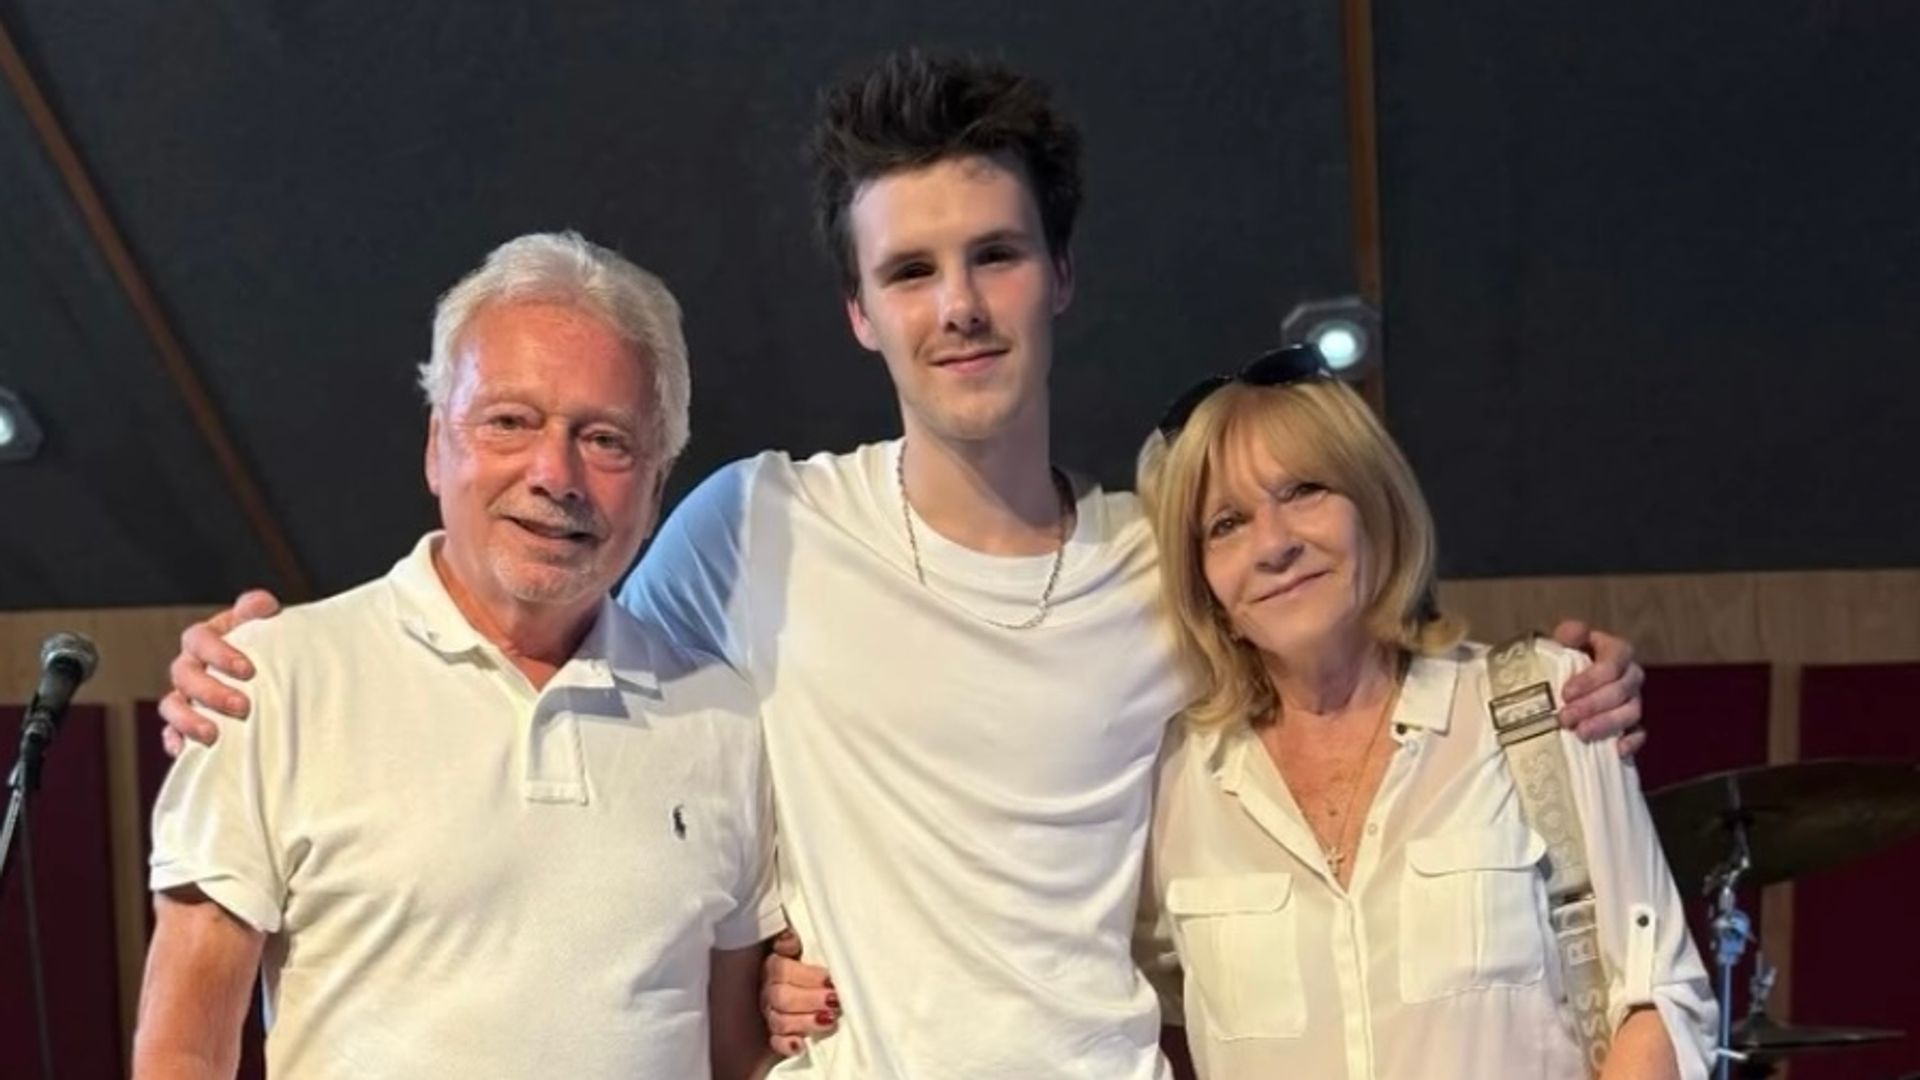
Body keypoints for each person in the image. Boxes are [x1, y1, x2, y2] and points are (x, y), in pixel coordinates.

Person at [157, 53, 1648, 1078]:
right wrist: (257, 677)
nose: (961, 307)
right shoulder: (755, 527)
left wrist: (1564, 687)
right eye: (911, 272)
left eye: (994, 256)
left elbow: (1364, 663)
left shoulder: (1162, 562)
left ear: (1060, 274)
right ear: (862, 313)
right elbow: (530, 600)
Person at [134, 233, 782, 1079]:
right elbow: (182, 1050)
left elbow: (735, 1056)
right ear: (437, 444)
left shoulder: (723, 719)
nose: (556, 472)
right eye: (510, 421)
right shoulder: (267, 681)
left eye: (607, 440)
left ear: (657, 486)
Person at [1127, 346, 1713, 1078]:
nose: (1273, 544)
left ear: (1376, 506)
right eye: (1226, 525)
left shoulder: (1543, 704)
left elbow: (1657, 998)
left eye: (1305, 489)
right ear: (1202, 580)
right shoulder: (1169, 779)